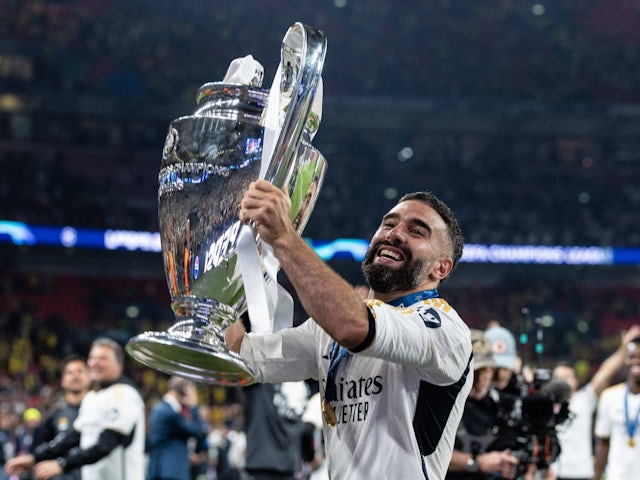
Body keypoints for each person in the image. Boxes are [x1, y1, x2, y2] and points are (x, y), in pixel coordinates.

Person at [226, 181, 473, 480]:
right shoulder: (323, 332)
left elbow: (352, 326)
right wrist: (228, 263)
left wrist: (283, 238)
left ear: (441, 268)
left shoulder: (444, 329)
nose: (394, 234)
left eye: (416, 231)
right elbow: (242, 356)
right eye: (388, 224)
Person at [4, 337, 146, 480]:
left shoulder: (125, 394)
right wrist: (34, 458)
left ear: (118, 365)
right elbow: (72, 438)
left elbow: (107, 444)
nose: (95, 362)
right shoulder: (92, 397)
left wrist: (62, 464)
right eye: (92, 357)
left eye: (103, 358)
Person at [551, 324, 640, 480]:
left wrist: (624, 349)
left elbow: (605, 373)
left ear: (576, 381)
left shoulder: (584, 400)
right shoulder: (544, 405)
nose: (563, 382)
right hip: (554, 473)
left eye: (567, 377)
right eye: (558, 378)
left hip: (582, 473)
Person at [447, 329, 520, 479]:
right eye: (476, 372)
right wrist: (477, 463)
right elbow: (427, 454)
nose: (481, 380)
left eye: (486, 371)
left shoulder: (504, 405)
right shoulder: (445, 403)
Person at [33, 354, 91, 480]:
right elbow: (41, 449)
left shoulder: (99, 410)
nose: (75, 376)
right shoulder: (54, 415)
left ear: (89, 377)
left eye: (80, 371)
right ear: (63, 381)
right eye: (70, 372)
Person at [593, 334, 640, 480]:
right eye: (632, 356)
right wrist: (596, 477)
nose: (636, 361)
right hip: (617, 475)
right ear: (624, 360)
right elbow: (603, 444)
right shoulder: (610, 396)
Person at [147, 376, 208, 480]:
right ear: (184, 391)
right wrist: (194, 407)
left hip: (161, 469)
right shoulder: (169, 413)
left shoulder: (160, 409)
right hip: (171, 472)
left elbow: (168, 441)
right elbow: (198, 431)